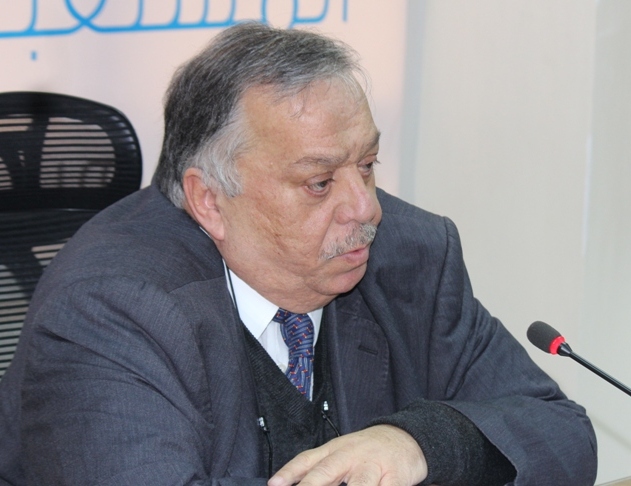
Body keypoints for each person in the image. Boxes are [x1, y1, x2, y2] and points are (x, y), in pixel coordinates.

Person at [0, 22, 597, 486]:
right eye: (319, 182)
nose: (365, 209)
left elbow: (561, 432)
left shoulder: (411, 254)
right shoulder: (109, 310)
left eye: (367, 165)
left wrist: (419, 443)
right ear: (209, 200)